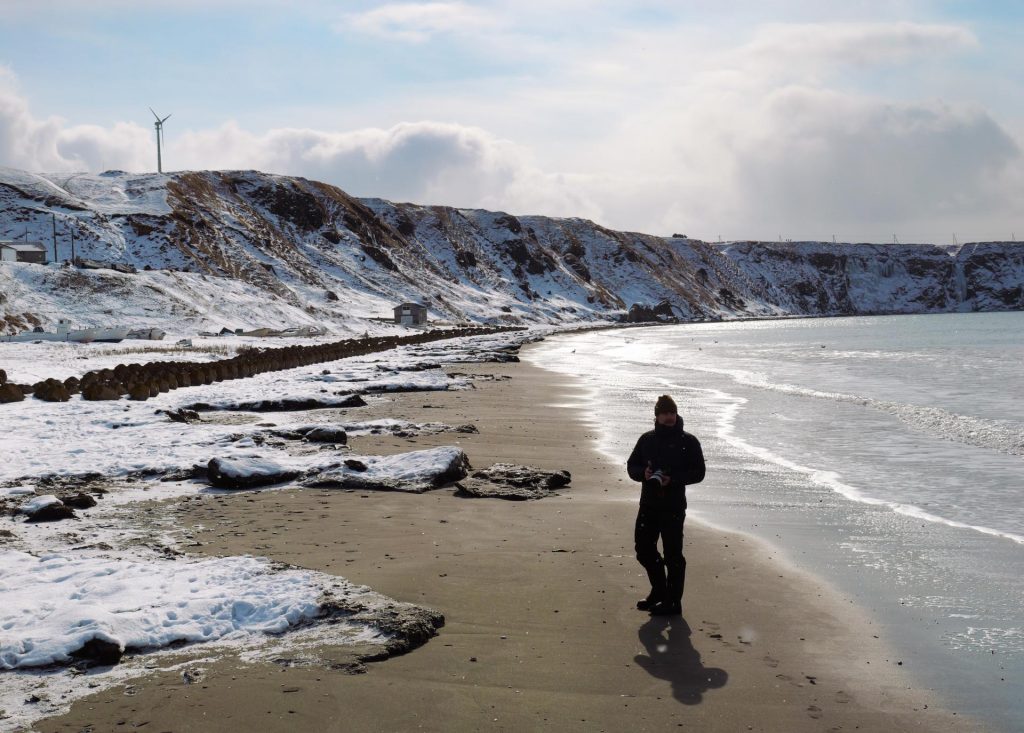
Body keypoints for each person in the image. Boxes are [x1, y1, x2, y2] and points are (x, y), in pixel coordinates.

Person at [626, 394, 705, 616]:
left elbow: (699, 473)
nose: (669, 417)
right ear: (657, 416)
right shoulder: (647, 439)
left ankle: (673, 602)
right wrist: (644, 473)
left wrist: (675, 479)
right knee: (643, 550)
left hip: (673, 506)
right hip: (648, 505)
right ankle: (659, 591)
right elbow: (632, 465)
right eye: (664, 413)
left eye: (672, 412)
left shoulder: (688, 441)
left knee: (673, 555)